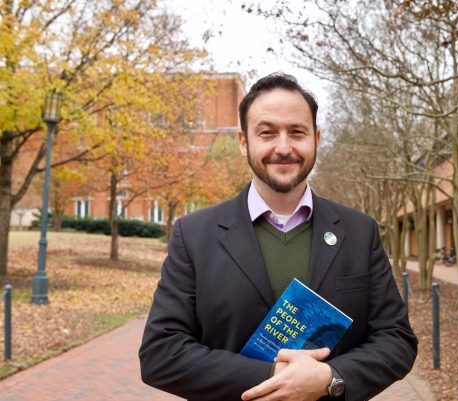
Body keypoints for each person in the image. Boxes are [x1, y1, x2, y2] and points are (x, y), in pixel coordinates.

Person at [139, 73, 418, 401]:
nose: (283, 148)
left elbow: (396, 339)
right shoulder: (194, 235)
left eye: (297, 132)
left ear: (315, 138)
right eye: (267, 133)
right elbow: (161, 353)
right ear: (244, 142)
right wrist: (274, 378)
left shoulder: (360, 232)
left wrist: (331, 377)